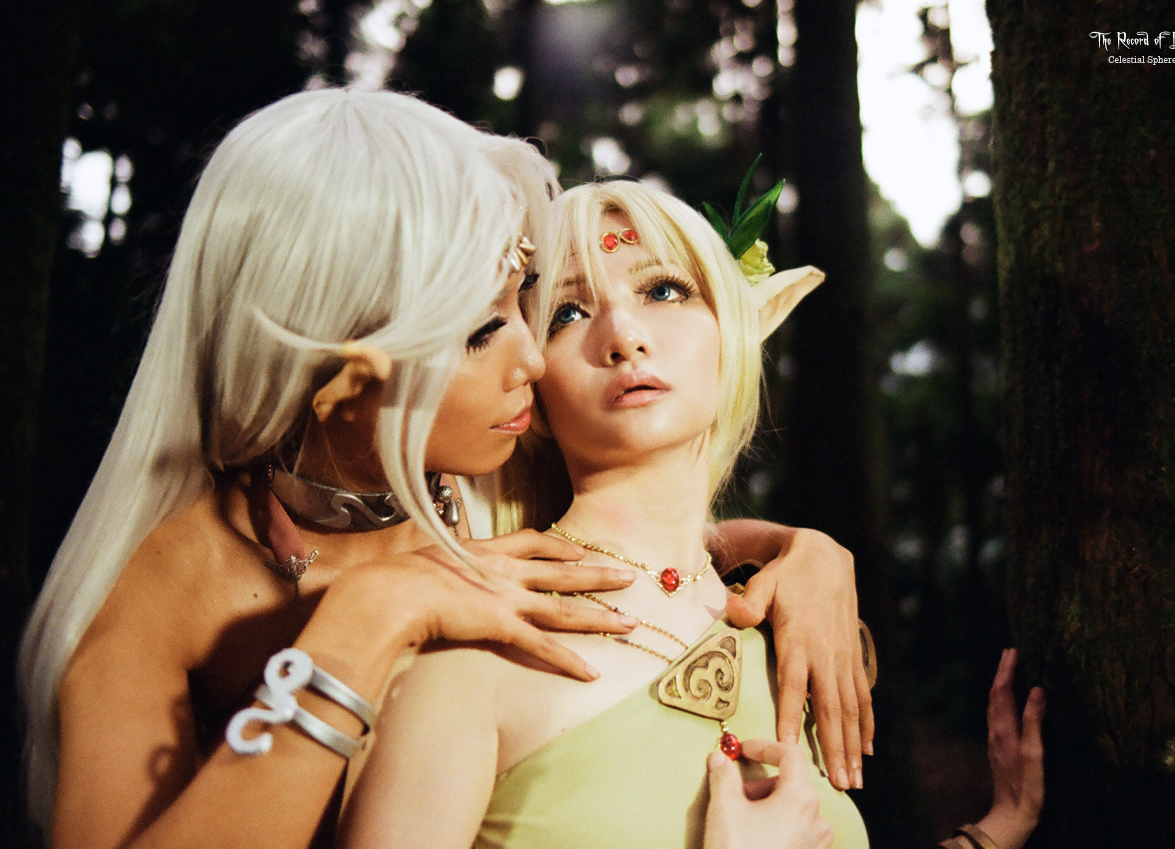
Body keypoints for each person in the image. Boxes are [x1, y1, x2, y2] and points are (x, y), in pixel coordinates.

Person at [17, 88, 870, 849]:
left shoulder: (484, 471)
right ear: (341, 362)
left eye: (527, 300)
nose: (532, 358)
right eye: (481, 329)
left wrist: (803, 553)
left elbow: (645, 535)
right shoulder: (162, 591)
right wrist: (370, 614)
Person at [339, 181, 1044, 848]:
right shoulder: (476, 653)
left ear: (730, 331)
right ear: (531, 384)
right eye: (566, 313)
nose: (622, 335)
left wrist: (995, 829)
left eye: (662, 290)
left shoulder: (801, 640)